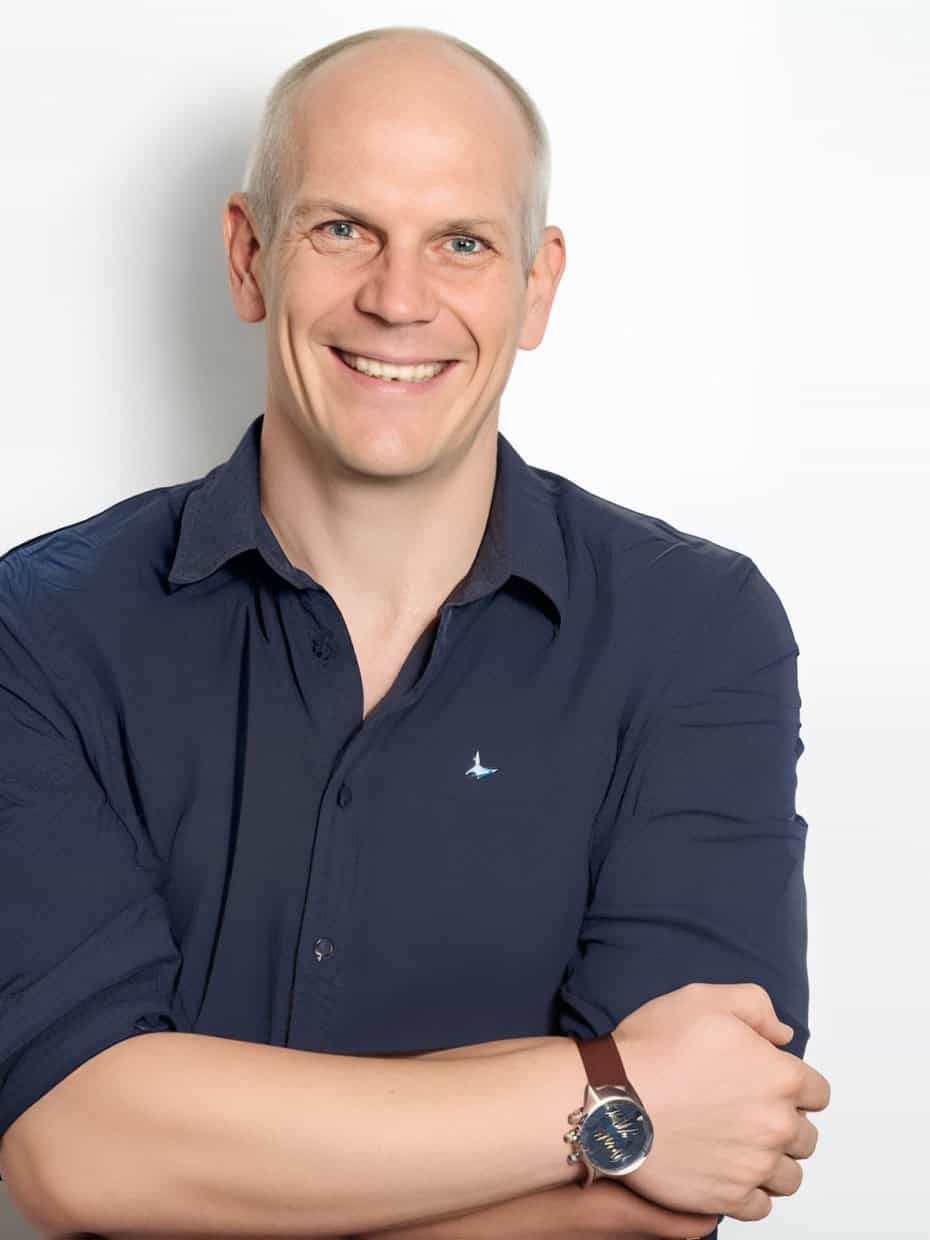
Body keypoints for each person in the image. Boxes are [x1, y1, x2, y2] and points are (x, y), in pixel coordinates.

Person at [0, 24, 830, 1240]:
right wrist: (614, 1099)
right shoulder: (42, 629)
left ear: (536, 285)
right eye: (343, 228)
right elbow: (75, 1149)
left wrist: (201, 1163)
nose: (399, 298)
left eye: (463, 242)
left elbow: (676, 1190)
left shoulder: (699, 632)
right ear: (248, 258)